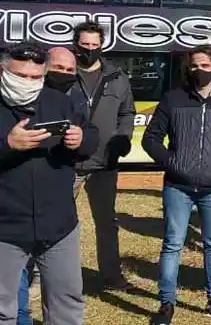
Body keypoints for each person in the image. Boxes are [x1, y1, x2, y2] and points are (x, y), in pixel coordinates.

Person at [142, 46, 211, 324]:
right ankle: (166, 304)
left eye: (204, 65)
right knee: (173, 243)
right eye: (193, 66)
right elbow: (151, 139)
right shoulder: (173, 99)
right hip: (178, 186)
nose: (198, 70)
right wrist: (172, 163)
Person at [0, 41, 98, 325]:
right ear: (3, 71)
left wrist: (82, 140)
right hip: (5, 227)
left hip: (58, 226)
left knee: (66, 304)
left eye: (35, 78)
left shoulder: (58, 102)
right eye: (20, 76)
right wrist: (7, 145)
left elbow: (91, 135)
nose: (28, 83)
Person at [68, 21, 136, 290]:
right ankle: (50, 276)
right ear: (76, 44)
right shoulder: (63, 74)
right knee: (58, 221)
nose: (89, 50)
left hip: (104, 162)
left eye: (95, 46)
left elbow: (127, 113)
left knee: (106, 222)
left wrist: (124, 137)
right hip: (68, 161)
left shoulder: (117, 77)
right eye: (84, 45)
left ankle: (111, 275)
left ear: (102, 45)